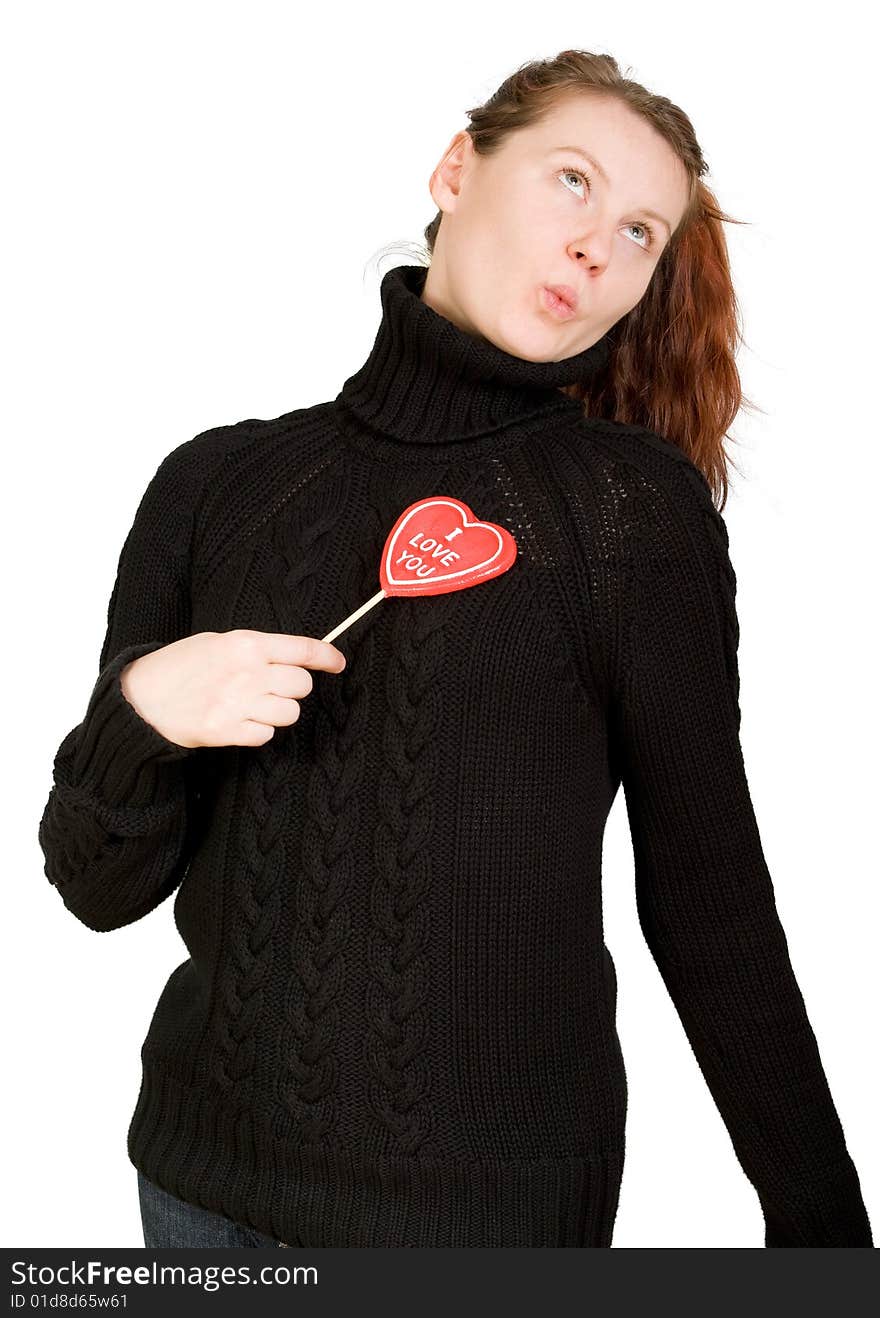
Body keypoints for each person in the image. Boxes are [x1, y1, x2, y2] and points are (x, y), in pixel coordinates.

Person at [38, 48, 873, 1249]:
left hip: (488, 1223)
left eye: (642, 231)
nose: (599, 246)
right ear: (454, 170)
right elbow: (93, 888)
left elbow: (708, 896)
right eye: (572, 182)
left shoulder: (630, 517)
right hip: (198, 1196)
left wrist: (821, 1228)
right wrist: (143, 715)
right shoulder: (215, 485)